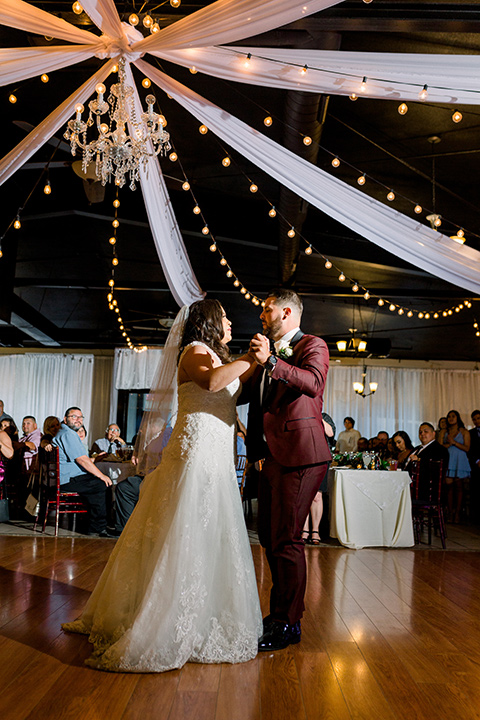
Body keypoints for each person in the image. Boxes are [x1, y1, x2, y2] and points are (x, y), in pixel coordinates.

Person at [61, 300, 262, 672]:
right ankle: (162, 616)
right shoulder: (194, 352)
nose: (231, 322)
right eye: (225, 318)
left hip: (215, 457)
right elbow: (213, 382)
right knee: (183, 532)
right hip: (196, 454)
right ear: (208, 323)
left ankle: (203, 615)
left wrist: (261, 362)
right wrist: (253, 356)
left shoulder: (215, 356)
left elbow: (231, 382)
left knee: (210, 534)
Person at [243, 288, 330, 652]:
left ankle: (288, 623)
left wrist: (272, 363)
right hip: (270, 456)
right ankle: (279, 612)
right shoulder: (264, 355)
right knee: (268, 536)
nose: (262, 316)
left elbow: (312, 383)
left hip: (302, 454)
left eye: (267, 310)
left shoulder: (313, 344)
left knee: (287, 538)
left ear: (288, 312)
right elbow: (250, 401)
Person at [53, 407, 112, 536]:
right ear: (65, 419)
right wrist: (102, 476)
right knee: (102, 484)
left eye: (80, 417)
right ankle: (98, 528)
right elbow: (82, 460)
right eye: (74, 417)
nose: (78, 420)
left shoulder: (63, 432)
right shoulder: (68, 434)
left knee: (97, 483)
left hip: (65, 478)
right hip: (67, 480)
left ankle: (97, 525)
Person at [302, 412, 335, 546]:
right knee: (304, 495)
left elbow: (330, 434)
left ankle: (315, 530)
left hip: (322, 458)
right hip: (304, 457)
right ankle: (304, 530)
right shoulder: (302, 414)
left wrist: (318, 418)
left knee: (317, 495)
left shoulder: (325, 417)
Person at [442, 409, 471, 523]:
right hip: (449, 460)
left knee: (459, 487)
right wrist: (449, 444)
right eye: (449, 416)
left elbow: (467, 448)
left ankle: (458, 514)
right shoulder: (445, 431)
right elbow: (440, 445)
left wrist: (454, 443)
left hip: (460, 461)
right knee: (449, 487)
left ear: (457, 418)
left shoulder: (464, 432)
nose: (451, 418)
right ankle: (450, 512)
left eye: (453, 416)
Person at [408, 422, 449, 498]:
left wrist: (419, 460)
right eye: (420, 432)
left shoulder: (440, 449)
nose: (422, 434)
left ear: (434, 434)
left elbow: (436, 467)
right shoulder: (416, 448)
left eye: (425, 431)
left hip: (426, 487)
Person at [468, 410, 480, 523]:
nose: (476, 421)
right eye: (474, 419)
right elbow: (469, 450)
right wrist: (477, 460)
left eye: (478, 418)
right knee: (475, 490)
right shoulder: (470, 433)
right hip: (475, 466)